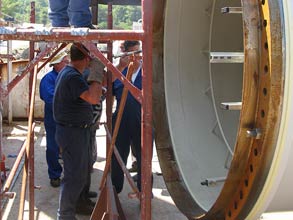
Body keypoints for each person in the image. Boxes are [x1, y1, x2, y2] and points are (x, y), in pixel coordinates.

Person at [53, 43, 105, 219]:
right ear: (85, 59)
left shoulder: (71, 73)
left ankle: (78, 204)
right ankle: (65, 214)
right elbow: (93, 97)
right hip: (72, 133)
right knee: (73, 177)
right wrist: (97, 73)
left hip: (76, 131)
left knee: (80, 174)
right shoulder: (71, 76)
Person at [111, 40, 153, 196]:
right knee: (117, 155)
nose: (137, 57)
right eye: (133, 53)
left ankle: (145, 192)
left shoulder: (147, 72)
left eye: (139, 52)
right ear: (126, 54)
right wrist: (120, 67)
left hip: (142, 120)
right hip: (121, 119)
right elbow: (106, 87)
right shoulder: (118, 71)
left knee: (144, 158)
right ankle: (115, 189)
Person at [39, 51, 69, 187]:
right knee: (52, 147)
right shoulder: (48, 79)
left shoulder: (69, 76)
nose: (68, 64)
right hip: (54, 119)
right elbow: (50, 99)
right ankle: (55, 175)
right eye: (65, 62)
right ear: (57, 64)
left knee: (70, 147)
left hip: (69, 120)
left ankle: (69, 175)